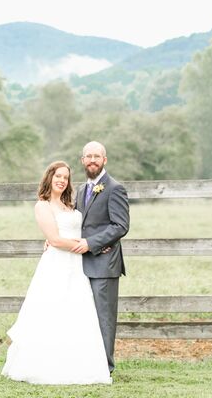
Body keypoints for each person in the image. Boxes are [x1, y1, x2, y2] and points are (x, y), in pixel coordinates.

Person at [2, 161, 112, 385]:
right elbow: (54, 239)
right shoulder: (42, 206)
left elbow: (80, 229)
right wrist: (86, 244)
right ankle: (46, 366)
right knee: (51, 311)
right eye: (58, 176)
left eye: (66, 177)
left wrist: (97, 243)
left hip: (76, 266)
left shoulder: (70, 206)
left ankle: (78, 365)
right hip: (56, 265)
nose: (62, 180)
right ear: (49, 178)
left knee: (76, 312)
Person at [72, 141, 130, 374]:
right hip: (80, 264)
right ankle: (87, 363)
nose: (92, 160)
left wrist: (92, 243)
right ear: (82, 160)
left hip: (105, 264)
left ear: (105, 160)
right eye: (88, 156)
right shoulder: (80, 189)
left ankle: (106, 368)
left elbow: (120, 226)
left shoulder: (114, 188)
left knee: (104, 318)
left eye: (97, 156)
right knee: (84, 315)